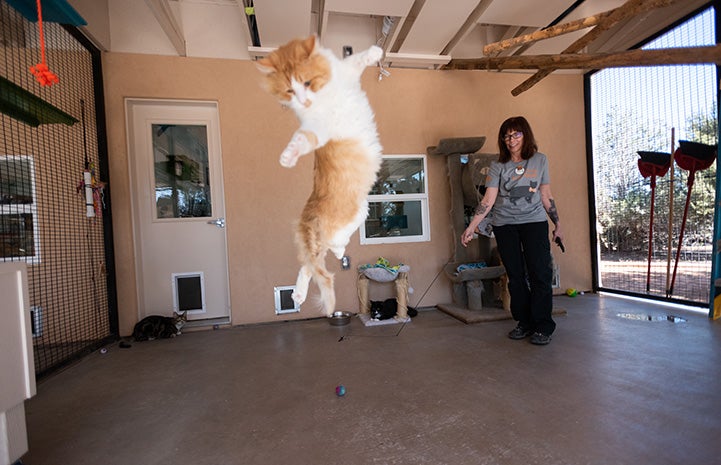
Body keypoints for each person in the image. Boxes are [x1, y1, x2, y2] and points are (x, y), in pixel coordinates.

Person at [461, 116, 563, 345]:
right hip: (505, 224)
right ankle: (524, 323)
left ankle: (543, 326)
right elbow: (489, 198)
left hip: (534, 223)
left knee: (540, 274)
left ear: (525, 135)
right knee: (515, 277)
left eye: (516, 134)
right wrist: (472, 226)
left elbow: (546, 195)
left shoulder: (540, 160)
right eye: (506, 135)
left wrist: (558, 225)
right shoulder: (497, 166)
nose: (511, 139)